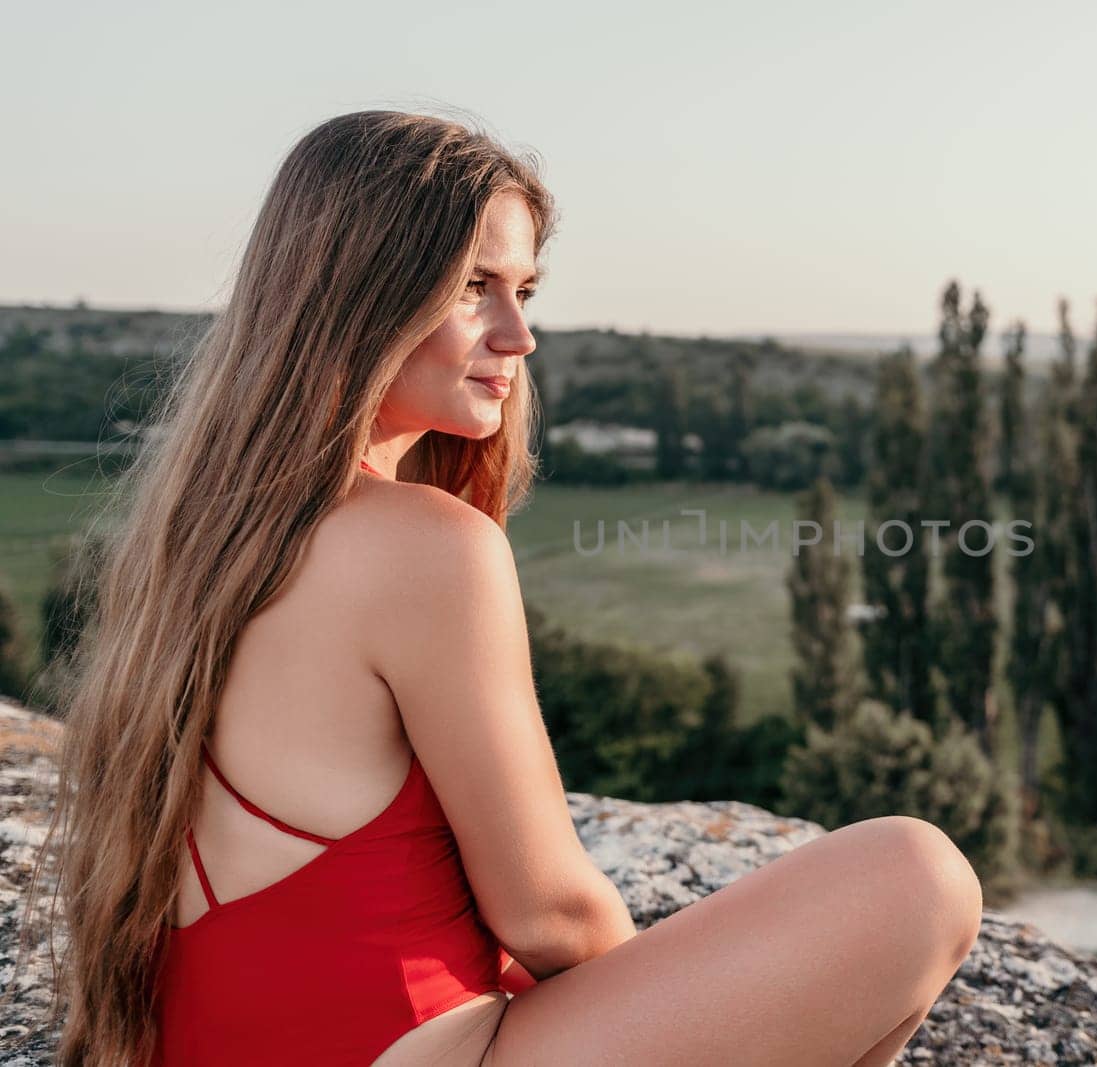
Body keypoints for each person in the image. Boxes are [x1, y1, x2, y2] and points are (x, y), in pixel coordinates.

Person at [19, 109, 983, 1066]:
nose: (518, 336)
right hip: (410, 1050)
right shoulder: (427, 549)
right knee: (917, 876)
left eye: (524, 289)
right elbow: (549, 909)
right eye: (474, 286)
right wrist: (677, 1000)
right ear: (359, 292)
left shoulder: (208, 537)